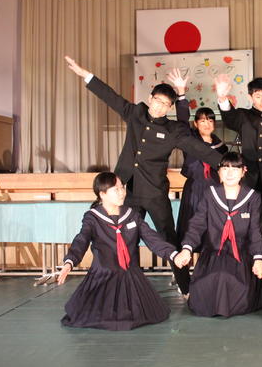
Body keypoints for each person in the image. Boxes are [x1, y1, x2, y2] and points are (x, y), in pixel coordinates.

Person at [64, 56, 223, 297]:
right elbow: (111, 97)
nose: (159, 107)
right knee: (125, 239)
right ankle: (130, 286)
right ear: (150, 99)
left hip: (155, 193)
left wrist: (227, 164)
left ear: (169, 108)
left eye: (165, 104)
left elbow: (200, 149)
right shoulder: (136, 113)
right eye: (157, 101)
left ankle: (185, 287)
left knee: (169, 238)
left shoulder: (173, 130)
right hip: (125, 191)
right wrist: (86, 75)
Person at [57, 172, 191, 330]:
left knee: (135, 316)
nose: (122, 193)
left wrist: (173, 255)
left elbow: (152, 238)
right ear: (102, 194)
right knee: (99, 316)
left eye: (122, 188)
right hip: (103, 275)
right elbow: (82, 239)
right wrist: (70, 261)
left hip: (130, 276)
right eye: (116, 189)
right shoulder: (93, 218)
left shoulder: (132, 215)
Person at [175, 152, 262, 317]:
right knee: (208, 283)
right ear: (219, 172)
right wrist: (187, 249)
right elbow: (197, 224)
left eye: (235, 169)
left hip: (241, 255)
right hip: (214, 254)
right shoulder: (210, 194)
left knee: (230, 281)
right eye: (225, 168)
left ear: (243, 171)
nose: (230, 173)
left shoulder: (253, 197)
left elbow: (255, 231)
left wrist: (259, 259)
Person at [167, 68, 229, 243]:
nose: (207, 124)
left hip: (215, 190)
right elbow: (182, 120)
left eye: (210, 120)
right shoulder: (190, 141)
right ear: (195, 123)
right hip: (194, 190)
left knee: (214, 232)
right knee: (191, 229)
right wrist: (181, 92)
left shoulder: (222, 147)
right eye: (202, 120)